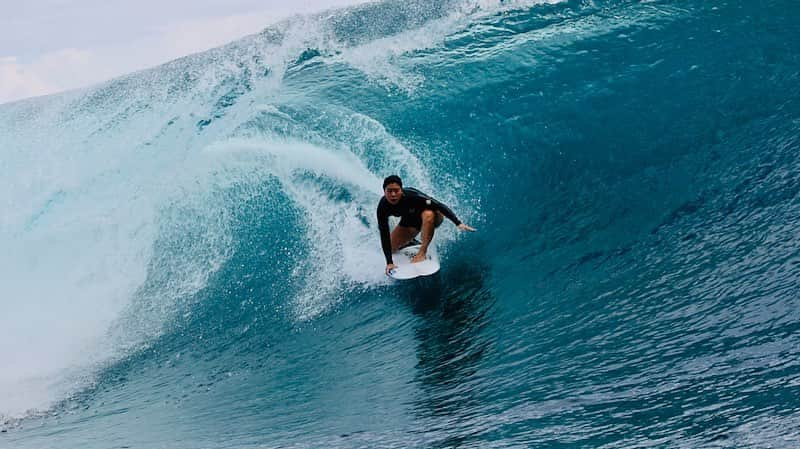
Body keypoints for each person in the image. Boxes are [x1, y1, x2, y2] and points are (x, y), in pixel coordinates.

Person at [377, 174, 475, 275]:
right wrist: (389, 262)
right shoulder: (383, 207)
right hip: (411, 221)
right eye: (389, 191)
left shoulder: (413, 196)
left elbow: (438, 205)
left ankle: (422, 251)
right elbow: (384, 234)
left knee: (428, 213)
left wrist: (458, 223)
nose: (393, 194)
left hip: (433, 216)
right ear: (384, 191)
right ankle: (412, 241)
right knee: (392, 247)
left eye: (396, 190)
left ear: (401, 190)